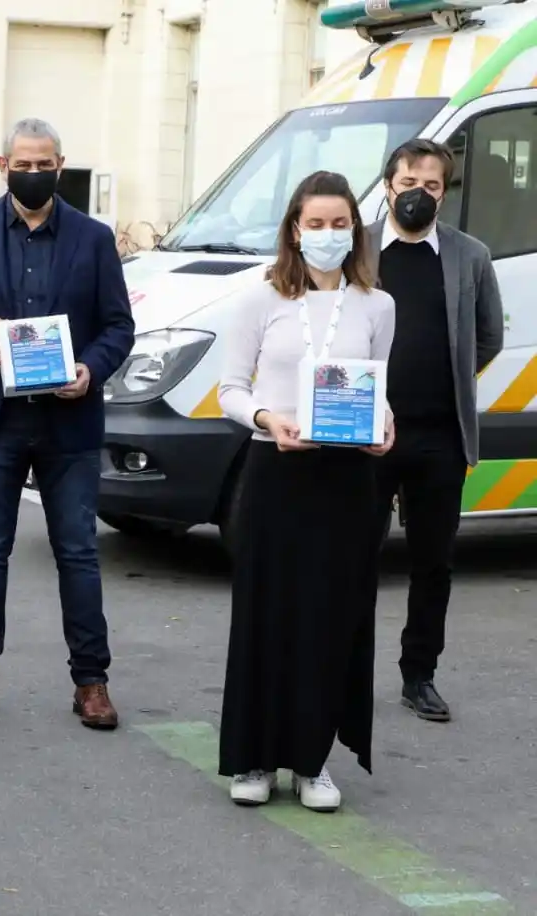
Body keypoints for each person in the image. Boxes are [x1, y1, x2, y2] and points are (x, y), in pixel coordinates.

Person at [0, 118, 135, 730]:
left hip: (69, 422)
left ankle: (91, 682)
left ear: (60, 165)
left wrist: (90, 369)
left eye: (44, 165)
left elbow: (119, 326)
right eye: (23, 164)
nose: (32, 174)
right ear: (2, 163)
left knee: (78, 553)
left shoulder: (93, 239)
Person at [217, 171, 396, 812]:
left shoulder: (378, 305)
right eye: (315, 224)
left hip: (347, 479)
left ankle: (312, 761)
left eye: (339, 223)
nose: (327, 235)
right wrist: (268, 420)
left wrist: (386, 423)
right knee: (268, 611)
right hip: (276, 469)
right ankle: (256, 757)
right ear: (295, 229)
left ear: (356, 228)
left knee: (330, 614)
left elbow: (376, 388)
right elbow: (230, 389)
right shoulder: (259, 299)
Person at [367, 140, 504, 723]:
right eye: (409, 182)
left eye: (432, 186)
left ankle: (418, 674)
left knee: (432, 563)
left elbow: (489, 335)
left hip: (438, 437)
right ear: (387, 185)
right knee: (349, 554)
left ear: (444, 192)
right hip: (363, 433)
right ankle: (338, 666)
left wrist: (447, 377)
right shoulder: (358, 248)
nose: (419, 195)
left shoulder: (469, 256)